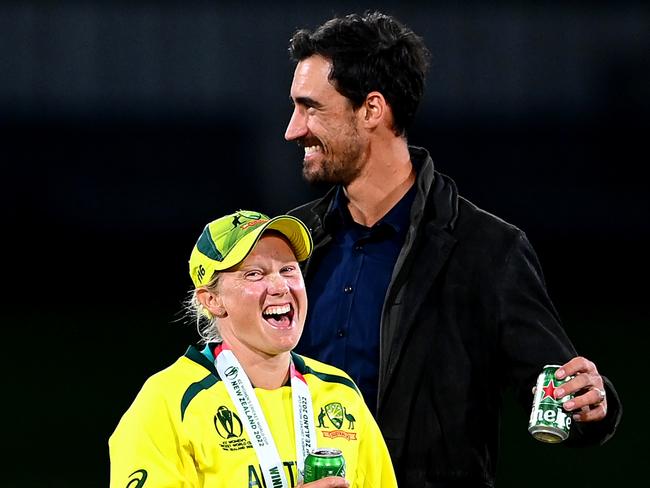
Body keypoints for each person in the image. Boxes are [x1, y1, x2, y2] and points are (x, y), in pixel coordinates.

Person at [283, 11, 622, 487]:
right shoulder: (289, 244)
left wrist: (592, 405)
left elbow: (559, 388)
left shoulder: (486, 251)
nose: (292, 130)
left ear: (372, 110)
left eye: (310, 108)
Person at [109, 210, 398, 488]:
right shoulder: (169, 402)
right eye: (255, 274)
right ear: (212, 300)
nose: (280, 286)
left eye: (288, 269)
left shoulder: (339, 392)